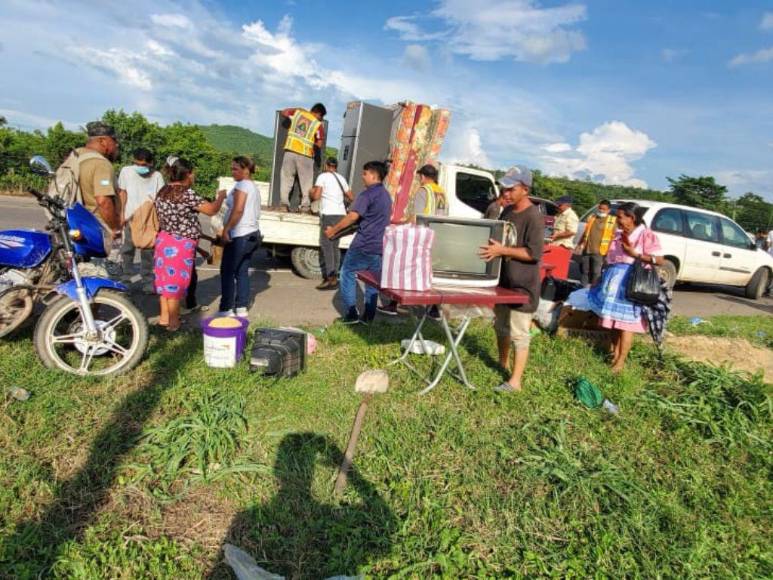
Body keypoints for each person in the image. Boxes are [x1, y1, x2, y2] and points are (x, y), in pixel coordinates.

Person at [479, 165, 544, 393]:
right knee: (501, 328)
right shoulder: (506, 212)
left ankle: (515, 381)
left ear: (524, 189)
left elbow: (533, 253)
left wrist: (503, 251)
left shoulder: (534, 217)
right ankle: (502, 363)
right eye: (503, 188)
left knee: (519, 334)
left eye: (510, 189)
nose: (505, 193)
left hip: (523, 288)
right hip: (504, 284)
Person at [587, 202, 664, 373]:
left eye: (621, 217)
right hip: (613, 280)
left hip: (630, 284)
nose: (618, 220)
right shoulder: (618, 234)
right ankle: (614, 353)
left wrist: (635, 254)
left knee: (626, 325)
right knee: (612, 321)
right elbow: (609, 258)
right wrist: (600, 278)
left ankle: (621, 361)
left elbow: (659, 260)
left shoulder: (646, 235)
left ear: (632, 218)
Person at [154, 159, 226, 331]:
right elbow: (211, 210)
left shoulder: (164, 191)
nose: (194, 176)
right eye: (192, 173)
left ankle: (164, 319)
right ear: (186, 174)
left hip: (164, 240)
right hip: (180, 245)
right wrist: (221, 197)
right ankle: (173, 323)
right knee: (176, 284)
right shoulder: (185, 193)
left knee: (165, 282)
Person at [324, 161, 392, 324]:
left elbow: (353, 216)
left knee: (347, 273)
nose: (363, 177)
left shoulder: (367, 194)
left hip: (363, 244)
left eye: (364, 173)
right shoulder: (386, 195)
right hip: (378, 246)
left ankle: (351, 314)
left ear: (374, 175)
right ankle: (368, 317)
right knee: (372, 282)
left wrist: (333, 230)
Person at [377, 163, 448, 317]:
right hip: (436, 235)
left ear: (422, 176)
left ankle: (393, 304)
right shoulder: (441, 192)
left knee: (402, 266)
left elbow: (416, 216)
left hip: (421, 235)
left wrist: (402, 226)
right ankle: (435, 309)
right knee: (430, 271)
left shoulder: (424, 190)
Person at [218, 156, 262, 318]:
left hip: (240, 235)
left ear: (246, 170)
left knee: (228, 271)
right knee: (242, 271)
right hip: (251, 234)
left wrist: (226, 229)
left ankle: (226, 309)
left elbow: (238, 210)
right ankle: (242, 308)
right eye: (232, 168)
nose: (232, 172)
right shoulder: (252, 187)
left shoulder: (243, 185)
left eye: (236, 169)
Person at [117, 148, 165, 293]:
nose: (141, 167)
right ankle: (125, 279)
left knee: (148, 252)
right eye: (137, 164)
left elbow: (160, 199)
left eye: (144, 165)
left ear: (151, 163)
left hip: (149, 219)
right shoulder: (126, 171)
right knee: (127, 250)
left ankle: (148, 281)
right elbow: (122, 193)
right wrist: (121, 214)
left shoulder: (157, 176)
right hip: (131, 217)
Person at [311, 157, 353, 290]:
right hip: (341, 215)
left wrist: (311, 192)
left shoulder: (323, 176)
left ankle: (330, 279)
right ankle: (335, 276)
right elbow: (351, 197)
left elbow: (316, 196)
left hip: (329, 215)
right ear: (336, 166)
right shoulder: (341, 178)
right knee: (335, 246)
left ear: (326, 165)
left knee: (326, 245)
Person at [279, 103, 326, 213]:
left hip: (289, 152)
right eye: (322, 116)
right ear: (318, 113)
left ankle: (284, 205)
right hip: (305, 155)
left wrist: (297, 108)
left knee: (286, 179)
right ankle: (305, 207)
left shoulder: (298, 113)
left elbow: (284, 112)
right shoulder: (317, 125)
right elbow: (319, 143)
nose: (321, 119)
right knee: (306, 183)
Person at [575, 199, 616, 287]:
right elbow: (586, 232)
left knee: (596, 272)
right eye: (600, 208)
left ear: (609, 210)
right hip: (587, 249)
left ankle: (593, 290)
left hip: (600, 252)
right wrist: (579, 244)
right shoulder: (592, 218)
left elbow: (614, 238)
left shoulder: (612, 221)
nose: (601, 210)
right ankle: (582, 288)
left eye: (604, 209)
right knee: (584, 270)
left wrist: (610, 252)